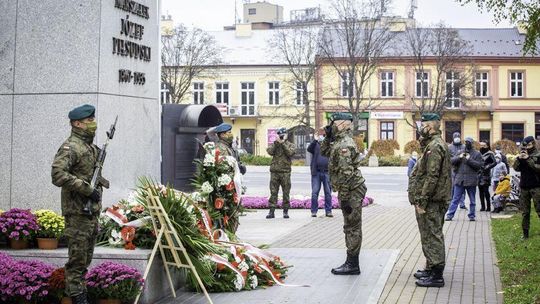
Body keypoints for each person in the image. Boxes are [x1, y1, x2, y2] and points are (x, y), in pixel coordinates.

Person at [51, 104, 108, 304]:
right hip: (77, 213)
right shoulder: (71, 146)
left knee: (84, 261)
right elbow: (57, 175)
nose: (93, 123)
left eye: (93, 119)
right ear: (77, 123)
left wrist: (99, 182)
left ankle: (80, 296)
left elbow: (87, 174)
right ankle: (78, 299)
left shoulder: (89, 147)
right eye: (89, 121)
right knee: (76, 262)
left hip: (90, 212)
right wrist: (87, 188)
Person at [407, 113, 452, 287]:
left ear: (430, 127)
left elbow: (432, 176)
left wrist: (422, 200)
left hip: (433, 200)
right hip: (432, 199)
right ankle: (431, 267)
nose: (420, 129)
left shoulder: (435, 146)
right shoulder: (431, 145)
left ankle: (437, 275)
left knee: (433, 235)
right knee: (427, 234)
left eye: (423, 125)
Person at [321, 113, 367, 275]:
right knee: (350, 226)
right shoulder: (339, 141)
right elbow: (324, 151)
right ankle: (351, 261)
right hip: (350, 189)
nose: (331, 125)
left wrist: (345, 198)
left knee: (352, 226)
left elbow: (346, 173)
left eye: (332, 123)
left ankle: (352, 264)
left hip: (352, 190)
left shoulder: (344, 145)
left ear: (341, 124)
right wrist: (327, 136)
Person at [214, 123, 246, 232]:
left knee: (233, 214)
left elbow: (234, 162)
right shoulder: (220, 148)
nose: (231, 134)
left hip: (231, 185)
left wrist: (240, 166)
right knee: (229, 214)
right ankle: (228, 236)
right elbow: (223, 167)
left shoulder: (229, 147)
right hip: (225, 188)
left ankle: (230, 235)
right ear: (222, 135)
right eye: (228, 133)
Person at [445, 137, 484, 221]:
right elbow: (451, 161)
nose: (467, 144)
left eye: (468, 142)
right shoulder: (460, 152)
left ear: (472, 143)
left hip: (471, 181)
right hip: (460, 180)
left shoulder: (477, 154)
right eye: (466, 142)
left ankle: (472, 216)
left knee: (472, 201)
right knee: (455, 199)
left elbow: (479, 166)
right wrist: (459, 157)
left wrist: (469, 159)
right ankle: (450, 215)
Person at [512, 136, 540, 239]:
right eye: (525, 145)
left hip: (536, 186)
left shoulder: (538, 154)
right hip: (524, 186)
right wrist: (519, 159)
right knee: (525, 212)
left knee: (539, 209)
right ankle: (525, 234)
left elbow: (537, 169)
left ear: (533, 144)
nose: (527, 147)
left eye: (529, 145)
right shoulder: (523, 155)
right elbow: (515, 168)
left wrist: (528, 159)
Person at [266, 127, 296, 219]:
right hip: (275, 172)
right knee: (273, 192)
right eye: (280, 135)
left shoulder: (291, 145)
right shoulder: (275, 144)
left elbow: (290, 153)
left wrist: (283, 144)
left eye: (283, 135)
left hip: (285, 172)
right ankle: (271, 211)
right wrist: (276, 143)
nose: (281, 136)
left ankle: (285, 211)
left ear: (286, 135)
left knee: (286, 192)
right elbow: (270, 152)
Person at [307, 128, 333, 217]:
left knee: (328, 193)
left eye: (324, 134)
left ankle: (328, 211)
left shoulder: (329, 144)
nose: (322, 135)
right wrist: (315, 140)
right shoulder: (315, 144)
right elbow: (309, 149)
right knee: (314, 193)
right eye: (321, 134)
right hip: (316, 173)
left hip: (327, 172)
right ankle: (314, 211)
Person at [448, 132, 467, 209]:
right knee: (453, 187)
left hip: (462, 169)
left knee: (462, 187)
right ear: (453, 137)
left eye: (458, 136)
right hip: (453, 169)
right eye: (455, 136)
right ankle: (451, 203)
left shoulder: (464, 146)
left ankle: (462, 204)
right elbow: (449, 159)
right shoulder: (449, 147)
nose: (457, 138)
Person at [478, 141, 496, 211]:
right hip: (479, 174)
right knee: (480, 191)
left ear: (487, 146)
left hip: (486, 174)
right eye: (481, 145)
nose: (482, 147)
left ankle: (488, 207)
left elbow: (494, 162)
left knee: (486, 191)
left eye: (484, 145)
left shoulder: (490, 153)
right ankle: (482, 206)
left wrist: (488, 166)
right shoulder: (479, 153)